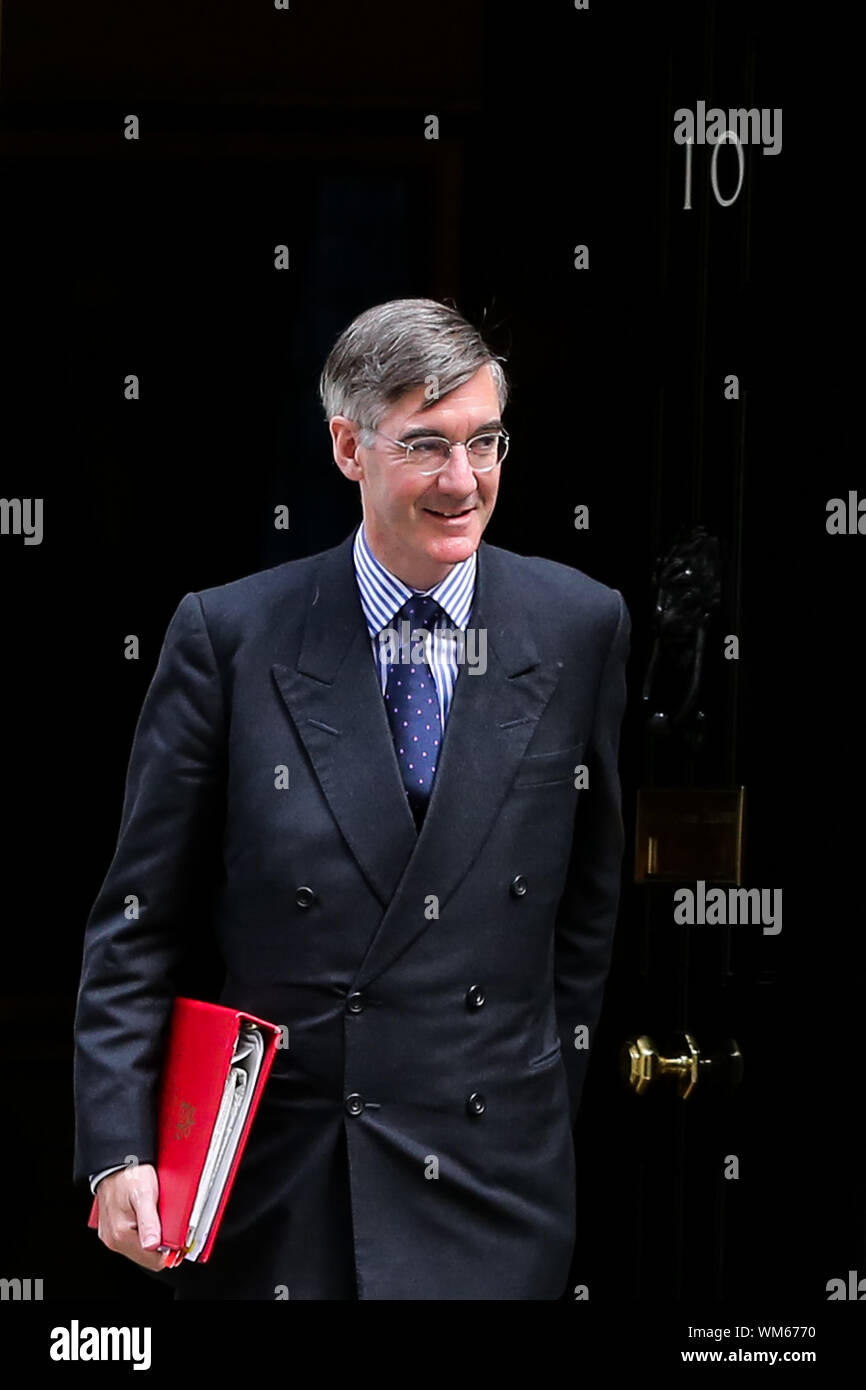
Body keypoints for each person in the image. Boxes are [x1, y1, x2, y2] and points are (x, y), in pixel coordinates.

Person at [73, 297, 630, 1300]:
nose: (463, 482)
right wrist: (118, 1150)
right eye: (425, 446)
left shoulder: (579, 623)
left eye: (484, 443)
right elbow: (137, 921)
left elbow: (582, 921)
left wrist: (529, 1102)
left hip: (491, 1189)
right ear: (347, 448)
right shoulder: (229, 637)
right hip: (283, 1186)